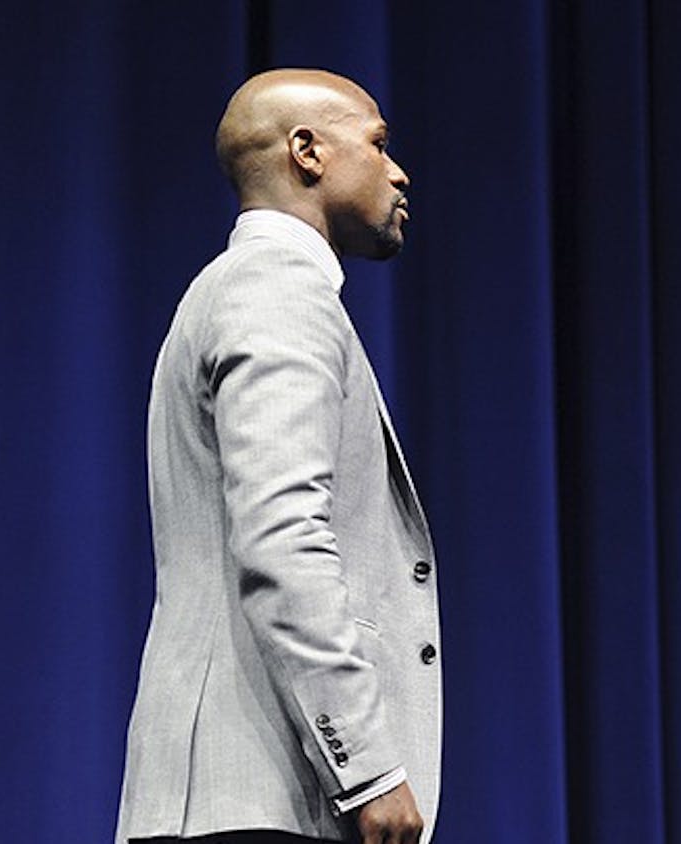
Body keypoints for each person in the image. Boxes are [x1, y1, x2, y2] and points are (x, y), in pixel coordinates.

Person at [117, 69, 440, 844]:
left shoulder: (236, 288)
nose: (398, 172)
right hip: (261, 802)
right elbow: (284, 537)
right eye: (378, 144)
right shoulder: (277, 289)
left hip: (231, 801)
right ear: (307, 152)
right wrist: (367, 764)